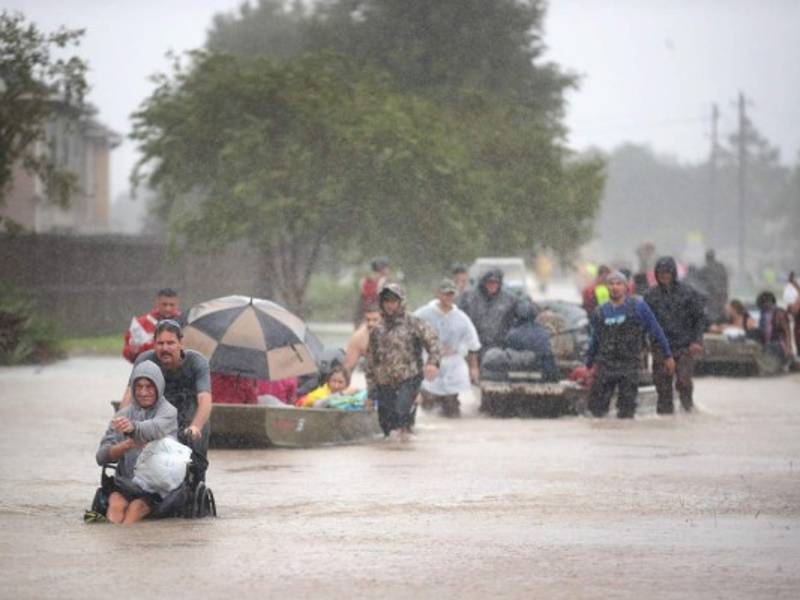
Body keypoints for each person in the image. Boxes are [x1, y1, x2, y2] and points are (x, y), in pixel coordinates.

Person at [122, 319, 212, 478]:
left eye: (170, 343)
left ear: (181, 343)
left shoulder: (197, 362)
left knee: (195, 459)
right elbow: (129, 394)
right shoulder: (145, 360)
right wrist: (122, 421)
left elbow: (205, 399)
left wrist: (196, 426)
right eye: (160, 343)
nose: (165, 348)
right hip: (157, 413)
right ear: (154, 344)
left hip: (189, 413)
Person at [96, 360, 178, 524]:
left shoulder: (168, 412)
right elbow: (101, 457)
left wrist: (133, 428)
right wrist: (125, 446)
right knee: (115, 505)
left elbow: (154, 428)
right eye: (139, 387)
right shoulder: (122, 415)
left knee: (135, 508)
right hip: (126, 483)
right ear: (133, 389)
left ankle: (130, 543)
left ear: (158, 387)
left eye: (149, 387)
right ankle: (113, 548)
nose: (143, 392)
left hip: (157, 486)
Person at [586, 271, 675, 419]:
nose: (615, 287)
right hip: (605, 365)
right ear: (607, 287)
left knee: (626, 412)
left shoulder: (638, 306)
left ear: (626, 287)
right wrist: (588, 365)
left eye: (618, 284)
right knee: (597, 411)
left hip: (629, 365)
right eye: (611, 284)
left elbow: (656, 330)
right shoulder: (600, 312)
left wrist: (667, 355)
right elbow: (594, 340)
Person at [366, 283, 441, 440]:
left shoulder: (413, 322)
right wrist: (371, 394)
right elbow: (371, 362)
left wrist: (433, 363)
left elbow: (433, 342)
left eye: (393, 301)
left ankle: (407, 436)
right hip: (384, 382)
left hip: (409, 378)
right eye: (386, 301)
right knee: (387, 428)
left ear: (401, 302)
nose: (390, 305)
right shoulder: (377, 329)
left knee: (401, 414)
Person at [644, 257, 706, 414]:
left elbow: (699, 318)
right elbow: (643, 322)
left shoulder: (688, 293)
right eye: (661, 273)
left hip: (684, 346)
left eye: (668, 272)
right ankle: (665, 420)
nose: (665, 276)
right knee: (663, 387)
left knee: (684, 382)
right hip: (660, 348)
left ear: (674, 273)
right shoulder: (650, 296)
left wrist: (697, 341)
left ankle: (688, 409)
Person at [414, 278, 481, 417]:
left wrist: (473, 368)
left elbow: (473, 344)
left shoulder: (461, 318)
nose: (448, 297)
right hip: (430, 363)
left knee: (451, 407)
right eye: (445, 294)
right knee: (428, 405)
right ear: (438, 294)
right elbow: (409, 331)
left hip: (453, 364)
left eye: (451, 294)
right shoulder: (424, 313)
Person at [457, 268, 519, 360]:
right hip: (473, 346)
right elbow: (458, 319)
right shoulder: (468, 297)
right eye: (489, 282)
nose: (492, 285)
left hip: (498, 347)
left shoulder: (509, 299)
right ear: (483, 283)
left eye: (495, 283)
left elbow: (519, 316)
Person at [504, 300, 560, 383]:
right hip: (544, 376)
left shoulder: (512, 334)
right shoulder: (543, 333)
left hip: (518, 378)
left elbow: (509, 359)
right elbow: (549, 361)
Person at [122, 288, 182, 363]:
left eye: (171, 305)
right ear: (157, 303)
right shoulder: (141, 324)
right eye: (164, 304)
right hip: (147, 369)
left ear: (177, 304)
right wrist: (132, 352)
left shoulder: (185, 323)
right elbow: (127, 351)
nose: (168, 308)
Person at [755, 291, 792, 365]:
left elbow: (787, 331)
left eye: (766, 304)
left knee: (770, 348)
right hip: (767, 343)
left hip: (779, 343)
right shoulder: (763, 314)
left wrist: (788, 348)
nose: (764, 307)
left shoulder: (780, 313)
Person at [343, 304, 382, 373]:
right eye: (368, 320)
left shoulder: (397, 333)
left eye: (375, 320)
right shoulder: (359, 338)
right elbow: (346, 370)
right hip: (374, 379)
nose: (371, 324)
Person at [354, 257, 390, 327]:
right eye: (387, 268)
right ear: (383, 269)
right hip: (379, 320)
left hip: (365, 318)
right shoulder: (384, 282)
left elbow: (360, 305)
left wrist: (357, 323)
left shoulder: (364, 281)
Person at [699, 250, 729, 324]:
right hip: (721, 294)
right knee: (719, 310)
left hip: (712, 294)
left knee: (713, 311)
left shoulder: (705, 269)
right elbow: (725, 279)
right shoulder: (720, 266)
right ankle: (720, 322)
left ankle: (714, 323)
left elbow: (700, 282)